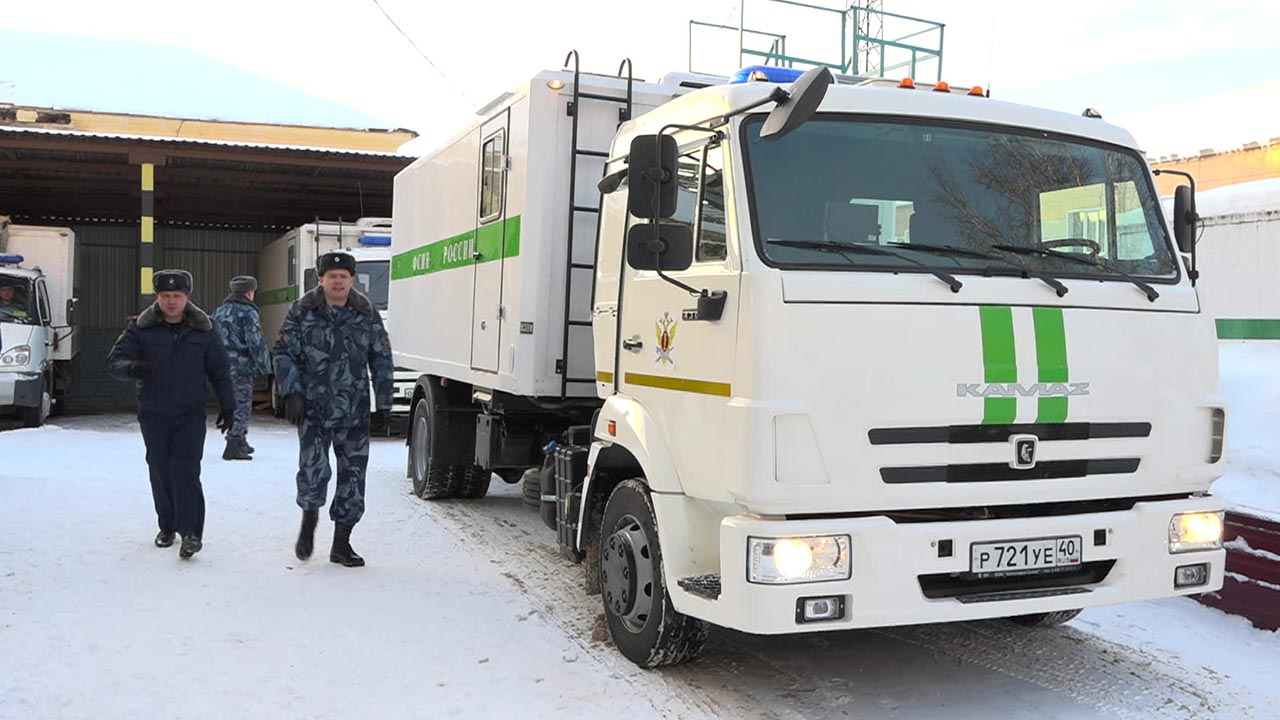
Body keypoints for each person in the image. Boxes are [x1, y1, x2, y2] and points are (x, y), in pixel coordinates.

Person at [273, 251, 393, 568]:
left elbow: (381, 358)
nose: (338, 281)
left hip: (354, 410)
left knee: (353, 477)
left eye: (344, 276)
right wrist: (291, 393)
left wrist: (384, 404)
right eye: (332, 276)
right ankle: (309, 522)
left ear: (352, 280)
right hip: (313, 409)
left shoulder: (366, 313)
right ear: (321, 279)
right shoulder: (302, 312)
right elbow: (283, 353)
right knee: (314, 470)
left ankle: (342, 543)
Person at [108, 269, 236, 560]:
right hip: (153, 413)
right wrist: (132, 368)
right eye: (165, 296)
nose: (171, 301)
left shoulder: (205, 329)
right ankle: (167, 526)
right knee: (160, 470)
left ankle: (191, 533)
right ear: (157, 297)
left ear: (187, 297)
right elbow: (115, 361)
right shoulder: (141, 328)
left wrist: (229, 406)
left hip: (190, 413)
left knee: (187, 471)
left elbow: (220, 370)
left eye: (177, 296)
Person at [212, 275, 271, 461]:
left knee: (230, 403)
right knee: (242, 404)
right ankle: (233, 444)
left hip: (221, 365)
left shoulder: (220, 311)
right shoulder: (248, 312)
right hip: (241, 366)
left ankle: (241, 440)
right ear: (250, 292)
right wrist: (265, 365)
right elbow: (255, 341)